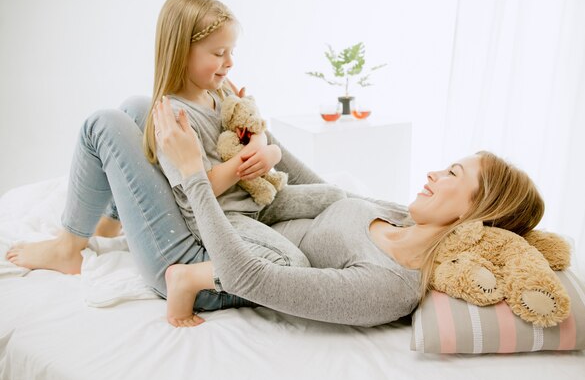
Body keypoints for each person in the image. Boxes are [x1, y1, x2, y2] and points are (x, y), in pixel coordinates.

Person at [6, 0, 345, 327]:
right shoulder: (174, 122)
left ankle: (110, 220)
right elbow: (196, 185)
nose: (230, 62)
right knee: (292, 267)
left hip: (244, 206)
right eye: (219, 53)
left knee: (134, 107)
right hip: (210, 228)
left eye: (231, 51)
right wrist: (242, 166)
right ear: (183, 53)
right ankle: (71, 248)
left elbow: (251, 123)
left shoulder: (219, 90)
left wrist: (265, 148)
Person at [154, 94, 545, 327]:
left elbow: (246, 278)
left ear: (473, 212)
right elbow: (320, 190)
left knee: (108, 124)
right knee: (151, 109)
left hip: (218, 255)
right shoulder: (404, 217)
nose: (433, 172)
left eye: (451, 173)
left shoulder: (390, 286)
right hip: (244, 213)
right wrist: (259, 133)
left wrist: (193, 174)